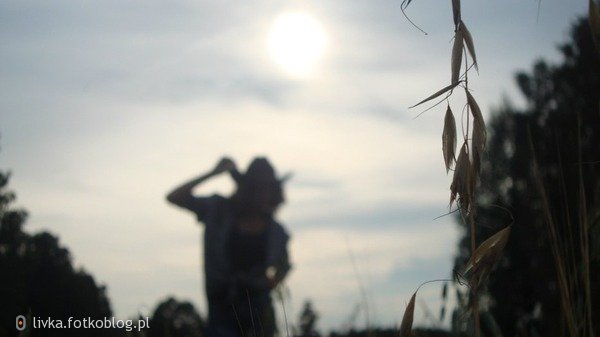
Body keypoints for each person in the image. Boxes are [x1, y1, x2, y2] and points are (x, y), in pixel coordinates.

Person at [166, 156, 291, 337]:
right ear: (247, 189)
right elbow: (175, 197)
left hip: (259, 312)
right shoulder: (217, 210)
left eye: (268, 189)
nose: (263, 195)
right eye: (258, 188)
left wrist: (269, 283)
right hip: (221, 309)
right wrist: (214, 173)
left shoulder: (277, 232)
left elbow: (284, 266)